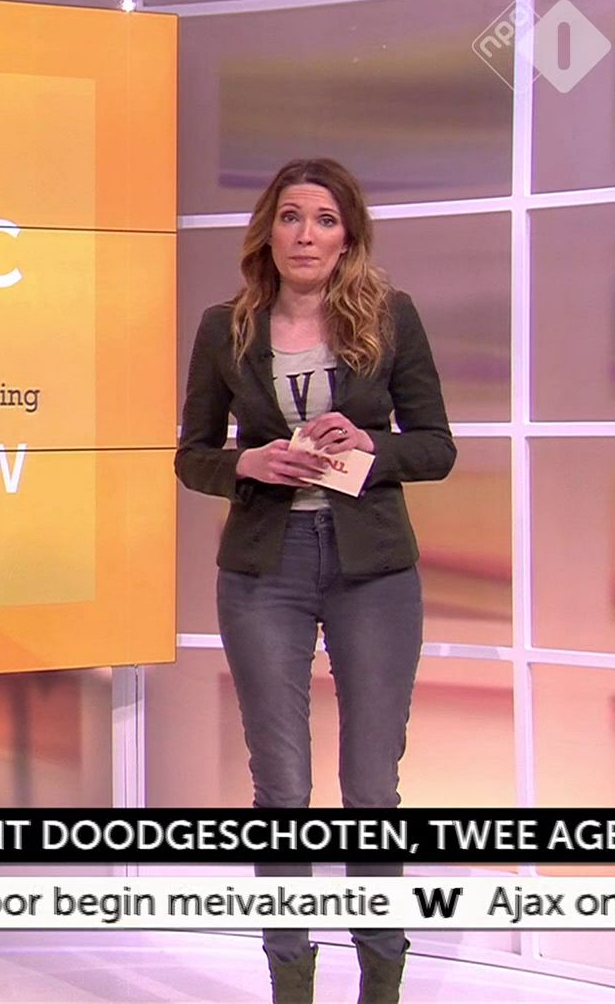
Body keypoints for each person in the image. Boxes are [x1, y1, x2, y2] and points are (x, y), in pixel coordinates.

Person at [174, 158, 455, 1004]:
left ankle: (381, 982)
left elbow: (436, 446)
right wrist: (247, 463)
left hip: (373, 569)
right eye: (291, 217)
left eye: (325, 219)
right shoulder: (226, 328)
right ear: (268, 231)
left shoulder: (391, 317)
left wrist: (371, 446)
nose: (306, 235)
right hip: (267, 569)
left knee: (371, 788)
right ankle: (291, 982)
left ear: (348, 236)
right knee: (283, 789)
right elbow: (193, 455)